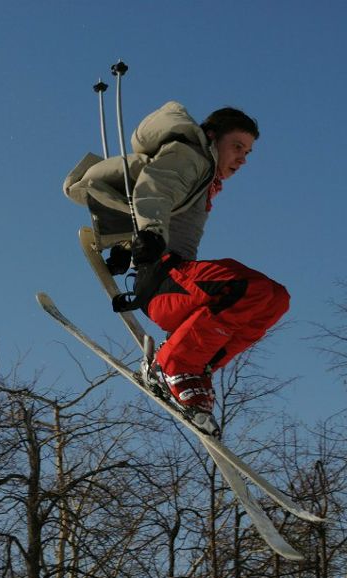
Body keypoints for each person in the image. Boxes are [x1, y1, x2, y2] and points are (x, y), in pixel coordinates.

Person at [66, 101, 289, 433]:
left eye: (248, 152)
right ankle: (174, 363)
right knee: (249, 289)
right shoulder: (191, 155)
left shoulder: (202, 178)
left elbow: (162, 204)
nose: (242, 158)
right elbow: (154, 188)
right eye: (237, 147)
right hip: (165, 281)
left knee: (274, 299)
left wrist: (130, 245)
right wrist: (149, 239)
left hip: (173, 284)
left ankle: (194, 366)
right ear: (212, 137)